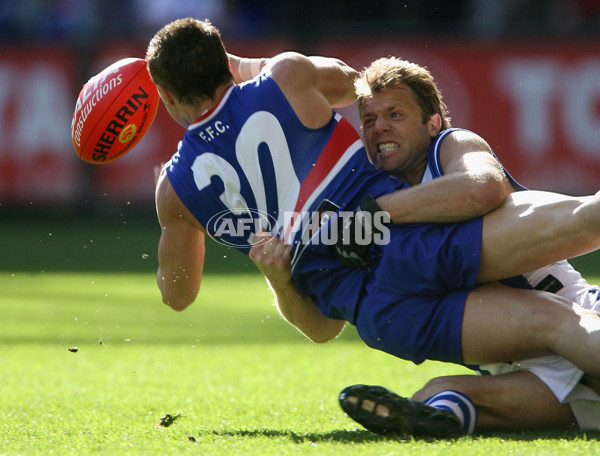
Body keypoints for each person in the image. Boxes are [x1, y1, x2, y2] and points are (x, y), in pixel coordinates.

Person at [147, 17, 600, 434]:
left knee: (459, 383)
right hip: (404, 244)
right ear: (225, 59)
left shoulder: (176, 190)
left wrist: (279, 270)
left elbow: (178, 296)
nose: (379, 128)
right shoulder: (286, 77)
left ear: (166, 97)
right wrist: (252, 67)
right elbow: (351, 82)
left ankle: (447, 415)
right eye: (371, 121)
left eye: (395, 116)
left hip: (375, 309)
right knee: (558, 315)